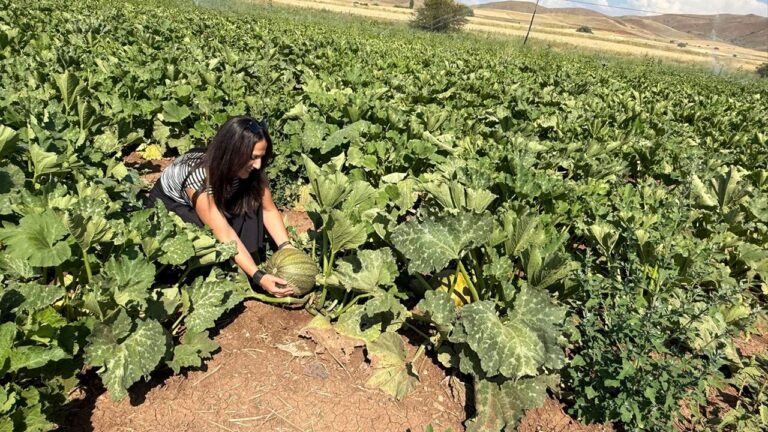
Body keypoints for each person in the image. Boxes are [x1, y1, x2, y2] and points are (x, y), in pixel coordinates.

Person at [146, 115, 294, 297]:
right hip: (171, 207)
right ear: (233, 153)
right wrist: (259, 276)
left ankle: (245, 260)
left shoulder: (253, 168)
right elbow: (223, 232)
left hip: (218, 194)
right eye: (253, 157)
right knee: (205, 234)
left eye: (261, 157)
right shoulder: (199, 176)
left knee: (252, 201)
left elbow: (268, 209)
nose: (258, 165)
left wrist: (286, 247)